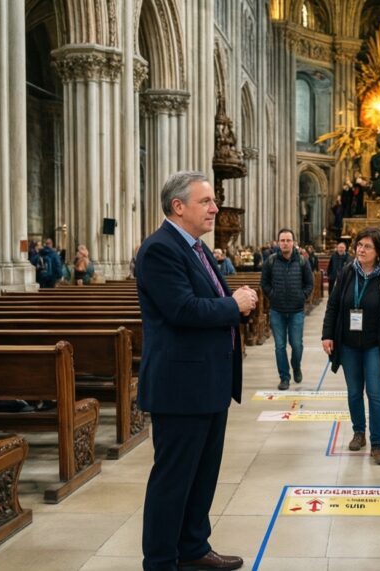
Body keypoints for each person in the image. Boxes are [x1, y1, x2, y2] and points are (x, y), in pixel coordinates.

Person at [137, 170, 258, 571]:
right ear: (178, 206)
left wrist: (232, 303)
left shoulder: (197, 248)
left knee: (202, 476)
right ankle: (160, 561)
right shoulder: (160, 249)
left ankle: (192, 547)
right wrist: (234, 305)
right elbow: (182, 309)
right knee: (173, 480)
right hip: (181, 386)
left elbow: (206, 299)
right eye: (206, 201)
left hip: (208, 382)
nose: (215, 207)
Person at [321, 228, 380, 465]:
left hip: (375, 345)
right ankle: (359, 432)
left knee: (376, 394)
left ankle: (377, 443)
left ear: (378, 251)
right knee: (354, 391)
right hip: (348, 343)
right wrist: (328, 334)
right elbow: (333, 305)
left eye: (367, 246)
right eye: (359, 245)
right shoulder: (347, 272)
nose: (361, 249)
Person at [261, 229, 314, 390]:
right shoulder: (270, 261)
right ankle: (284, 377)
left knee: (297, 345)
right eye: (282, 240)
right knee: (279, 346)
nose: (285, 243)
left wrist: (301, 296)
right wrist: (273, 295)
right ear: (278, 242)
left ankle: (296, 366)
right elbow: (264, 283)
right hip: (277, 310)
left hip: (296, 310)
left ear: (293, 242)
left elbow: (309, 283)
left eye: (288, 240)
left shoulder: (303, 261)